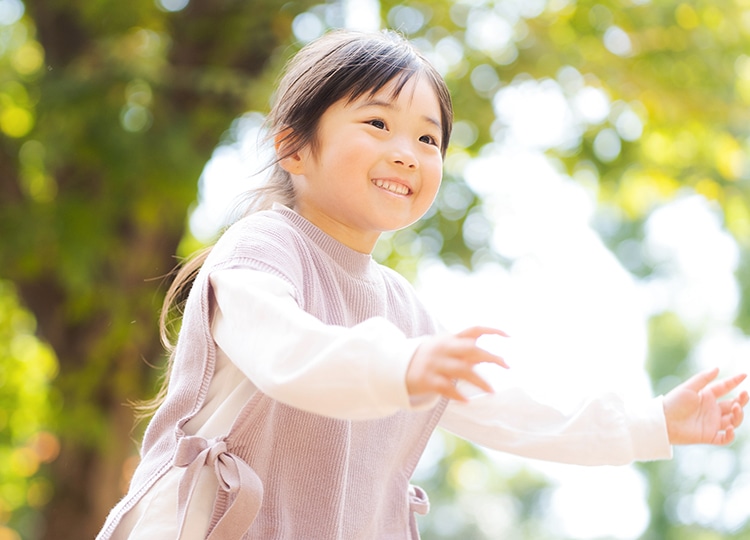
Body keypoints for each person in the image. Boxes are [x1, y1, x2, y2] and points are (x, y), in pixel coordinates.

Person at [96, 29, 748, 540]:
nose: (408, 151)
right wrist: (405, 365)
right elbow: (288, 354)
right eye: (378, 124)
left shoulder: (403, 309)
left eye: (429, 137)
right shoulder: (263, 247)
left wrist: (652, 422)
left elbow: (513, 408)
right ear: (295, 147)